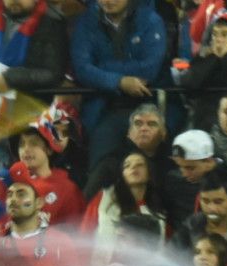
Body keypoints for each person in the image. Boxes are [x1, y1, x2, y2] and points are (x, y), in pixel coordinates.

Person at [70, 0, 167, 171]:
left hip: (146, 104)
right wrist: (119, 81)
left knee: (151, 172)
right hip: (104, 109)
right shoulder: (86, 22)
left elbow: (149, 69)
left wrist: (103, 68)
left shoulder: (151, 20)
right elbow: (82, 70)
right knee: (101, 173)